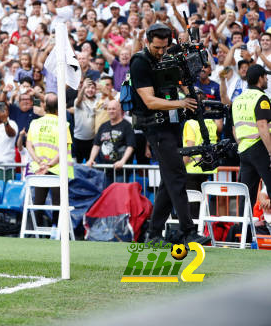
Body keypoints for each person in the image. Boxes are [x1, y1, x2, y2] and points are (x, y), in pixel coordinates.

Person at [130, 23, 210, 245]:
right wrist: (181, 102)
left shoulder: (167, 57)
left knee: (169, 180)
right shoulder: (140, 62)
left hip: (172, 124)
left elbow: (177, 82)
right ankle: (188, 230)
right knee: (176, 176)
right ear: (147, 42)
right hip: (155, 126)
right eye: (157, 48)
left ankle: (154, 234)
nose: (161, 52)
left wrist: (191, 94)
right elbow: (149, 100)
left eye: (165, 47)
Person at [26, 93, 74, 233]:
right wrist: (50, 165)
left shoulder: (35, 123)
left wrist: (39, 162)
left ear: (44, 107)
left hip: (38, 169)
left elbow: (29, 145)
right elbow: (63, 149)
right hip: (58, 169)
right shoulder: (63, 124)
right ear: (59, 109)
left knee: (38, 202)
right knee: (58, 203)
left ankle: (37, 233)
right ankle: (55, 230)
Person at [232, 64, 271, 206]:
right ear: (260, 78)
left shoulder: (237, 100)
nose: (267, 78)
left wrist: (243, 144)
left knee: (247, 196)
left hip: (244, 150)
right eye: (265, 76)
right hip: (260, 147)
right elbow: (262, 126)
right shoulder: (261, 98)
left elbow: (234, 129)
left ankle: (244, 228)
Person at [86, 100, 135, 178]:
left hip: (121, 171)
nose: (111, 111)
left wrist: (123, 161)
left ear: (119, 110)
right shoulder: (103, 126)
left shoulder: (127, 126)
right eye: (109, 109)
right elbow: (96, 145)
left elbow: (130, 146)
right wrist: (91, 159)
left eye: (113, 109)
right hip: (104, 170)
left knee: (119, 190)